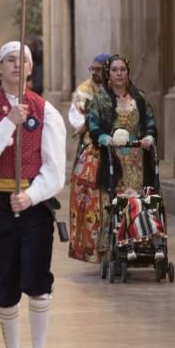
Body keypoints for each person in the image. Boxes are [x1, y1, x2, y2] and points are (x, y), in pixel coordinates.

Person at [0, 41, 66, 348]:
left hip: (34, 206)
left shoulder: (46, 111)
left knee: (37, 280)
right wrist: (9, 123)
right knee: (5, 281)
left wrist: (32, 195)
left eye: (22, 60)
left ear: (30, 68)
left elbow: (56, 169)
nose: (16, 65)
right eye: (10, 60)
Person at [85, 55, 158, 256]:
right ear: (108, 73)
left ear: (128, 72)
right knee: (114, 202)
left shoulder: (140, 98)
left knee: (138, 199)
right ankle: (113, 246)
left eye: (122, 70)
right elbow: (92, 125)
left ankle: (141, 240)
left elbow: (150, 123)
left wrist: (149, 137)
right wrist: (104, 138)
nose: (119, 73)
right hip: (112, 160)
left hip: (137, 160)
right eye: (115, 70)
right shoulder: (101, 99)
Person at [67, 53, 111, 263]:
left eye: (99, 69)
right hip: (91, 148)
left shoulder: (120, 90)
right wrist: (89, 125)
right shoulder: (84, 89)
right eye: (92, 68)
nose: (95, 72)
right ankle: (92, 246)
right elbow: (75, 115)